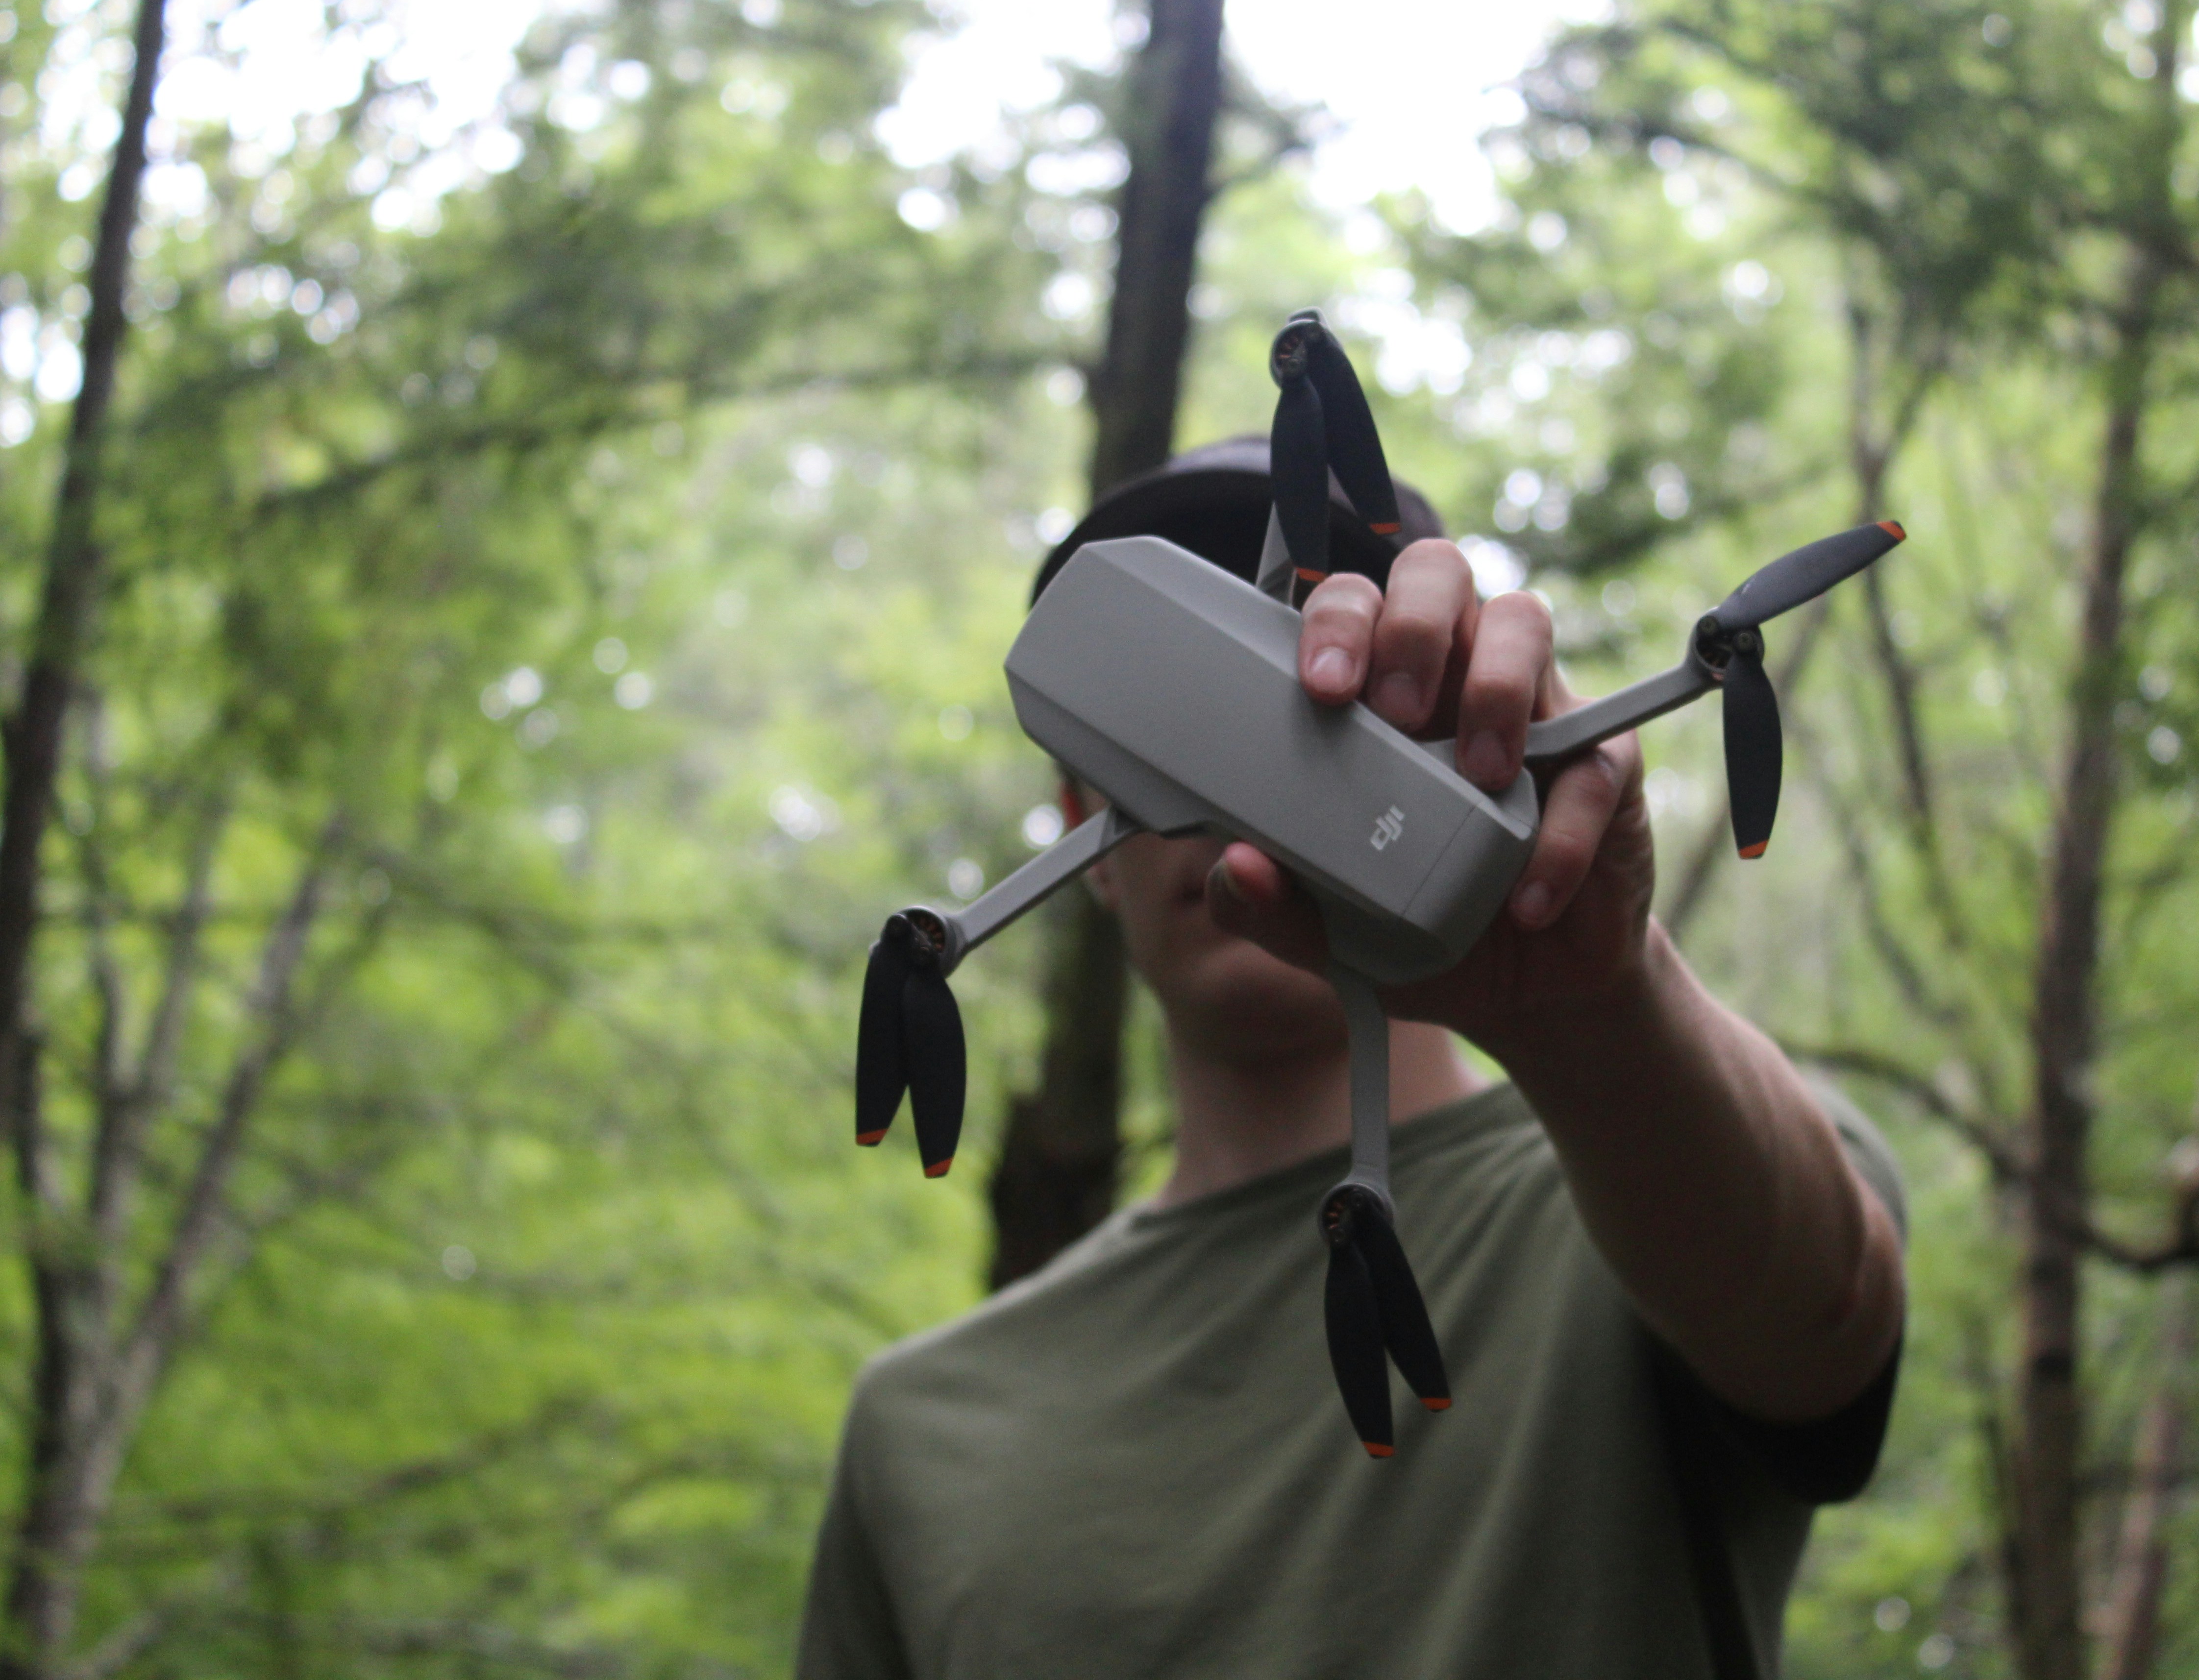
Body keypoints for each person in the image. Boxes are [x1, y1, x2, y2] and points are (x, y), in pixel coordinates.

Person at [798, 439, 1908, 1680]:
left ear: (1455, 709)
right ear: (1080, 829)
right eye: (1161, 703)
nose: (1231, 773)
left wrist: (1594, 1000)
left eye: (1310, 683)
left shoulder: (1662, 1166)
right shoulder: (919, 1431)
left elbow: (1823, 1323)